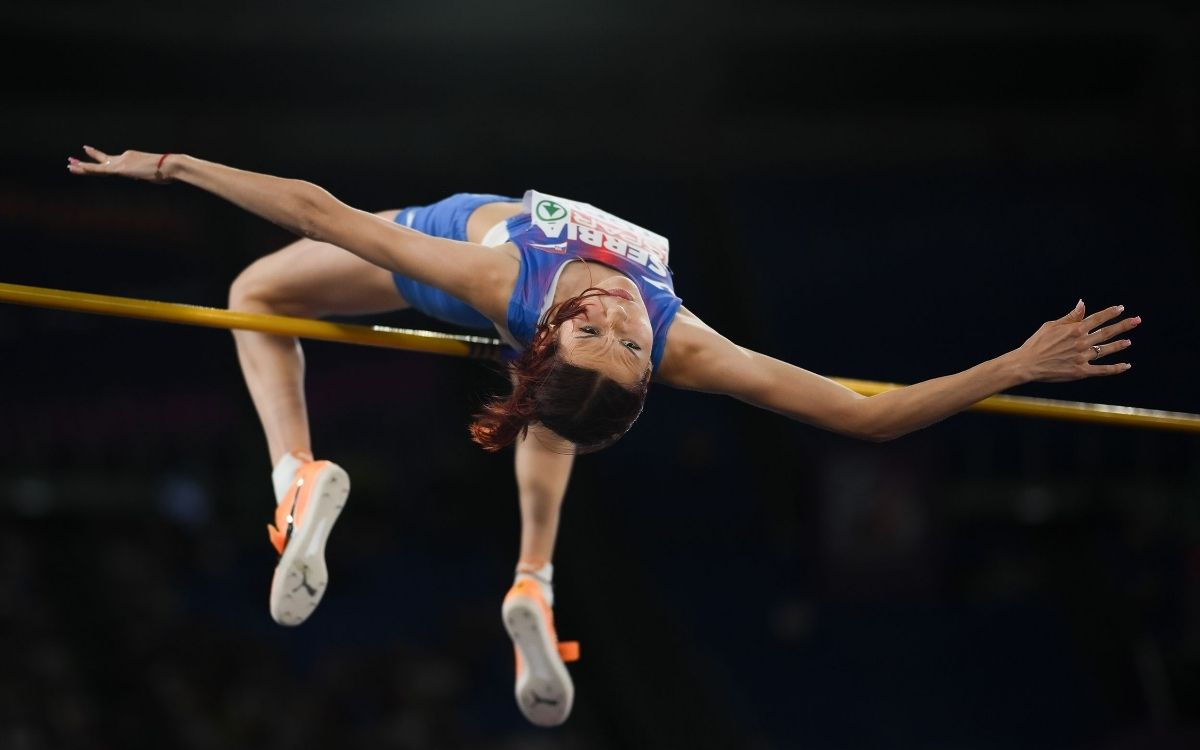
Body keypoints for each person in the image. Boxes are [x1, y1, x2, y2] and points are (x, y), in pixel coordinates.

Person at [68, 146, 1140, 727]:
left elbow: (320, 209)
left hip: (445, 249)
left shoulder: (498, 279)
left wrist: (176, 167)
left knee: (255, 294)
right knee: (553, 416)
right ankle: (531, 583)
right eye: (627, 341)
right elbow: (867, 414)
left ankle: (296, 476)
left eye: (602, 333)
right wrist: (1013, 363)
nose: (622, 318)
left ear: (549, 333)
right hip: (514, 336)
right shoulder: (683, 344)